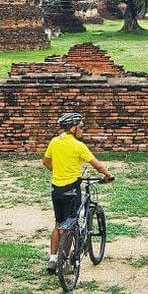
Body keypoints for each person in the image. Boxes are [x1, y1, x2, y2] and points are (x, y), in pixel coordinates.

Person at [42, 112, 114, 274]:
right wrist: (108, 175)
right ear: (73, 128)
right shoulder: (78, 145)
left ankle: (53, 259)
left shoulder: (54, 142)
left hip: (56, 189)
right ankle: (65, 261)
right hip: (72, 189)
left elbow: (46, 162)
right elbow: (97, 165)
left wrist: (58, 170)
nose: (83, 130)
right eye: (81, 127)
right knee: (70, 225)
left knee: (58, 223)